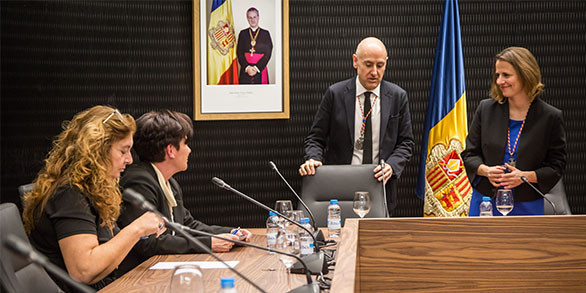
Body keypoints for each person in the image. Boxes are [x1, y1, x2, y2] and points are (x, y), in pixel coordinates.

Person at [22, 106, 165, 292]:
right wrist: (136, 229)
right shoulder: (69, 193)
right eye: (123, 151)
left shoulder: (94, 188)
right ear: (98, 151)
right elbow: (84, 270)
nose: (129, 159)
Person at [116, 110, 251, 275]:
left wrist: (228, 233)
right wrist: (207, 243)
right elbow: (147, 243)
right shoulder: (139, 182)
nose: (189, 150)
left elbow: (187, 224)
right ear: (171, 150)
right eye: (186, 143)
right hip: (138, 276)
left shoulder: (168, 181)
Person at [299, 37, 414, 216]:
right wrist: (313, 158)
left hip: (380, 185)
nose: (374, 72)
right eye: (368, 64)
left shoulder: (398, 96)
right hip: (341, 184)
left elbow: (406, 143)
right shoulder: (335, 94)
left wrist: (392, 165)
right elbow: (315, 138)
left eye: (380, 65)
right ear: (355, 61)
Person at [462, 47, 567, 216]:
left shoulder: (550, 117)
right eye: (497, 75)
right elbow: (469, 155)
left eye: (506, 75)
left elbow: (556, 166)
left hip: (527, 204)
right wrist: (486, 170)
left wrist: (525, 176)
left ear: (525, 74)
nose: (499, 81)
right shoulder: (486, 109)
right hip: (486, 202)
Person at [236, 7, 273, 84]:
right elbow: (239, 52)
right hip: (246, 70)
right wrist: (247, 67)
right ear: (247, 18)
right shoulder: (243, 33)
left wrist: (257, 68)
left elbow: (268, 53)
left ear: (258, 17)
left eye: (254, 17)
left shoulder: (265, 33)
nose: (252, 20)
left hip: (260, 69)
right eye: (250, 17)